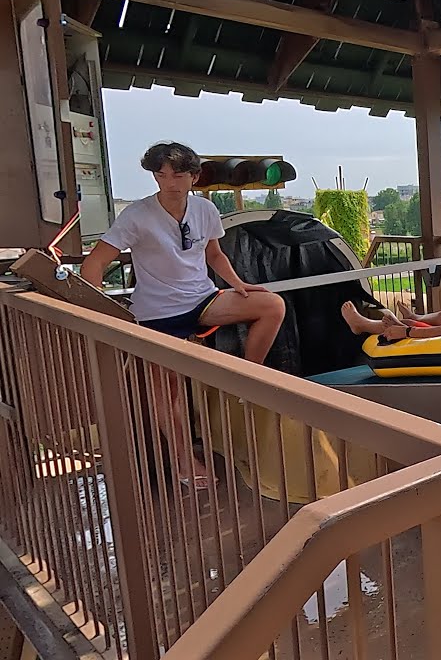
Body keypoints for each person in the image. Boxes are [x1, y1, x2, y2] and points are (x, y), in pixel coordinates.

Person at [80, 142, 287, 491]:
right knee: (168, 395)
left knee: (272, 306)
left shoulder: (205, 209)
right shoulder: (136, 215)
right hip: (156, 314)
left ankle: (248, 377)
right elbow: (94, 263)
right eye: (160, 175)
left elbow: (215, 255)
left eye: (177, 175)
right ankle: (184, 461)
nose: (169, 182)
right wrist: (101, 313)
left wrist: (240, 285)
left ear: (194, 176)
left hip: (201, 299)